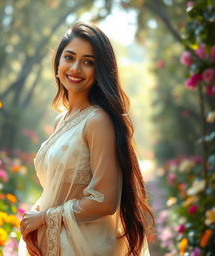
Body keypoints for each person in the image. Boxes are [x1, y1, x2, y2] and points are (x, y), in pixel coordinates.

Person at [18, 21, 153, 256]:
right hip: (54, 242)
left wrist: (45, 217)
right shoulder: (63, 120)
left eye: (88, 62)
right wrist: (35, 216)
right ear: (58, 62)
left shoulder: (97, 121)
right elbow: (57, 189)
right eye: (69, 57)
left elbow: (104, 200)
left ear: (100, 71)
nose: (76, 68)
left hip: (85, 246)